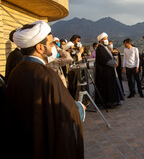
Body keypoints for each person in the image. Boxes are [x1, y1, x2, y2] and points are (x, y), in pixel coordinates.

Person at [4, 21, 84, 158]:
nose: (54, 46)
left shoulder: (16, 72)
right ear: (40, 47)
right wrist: (79, 107)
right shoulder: (46, 75)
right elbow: (65, 111)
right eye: (51, 43)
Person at [94, 32, 124, 108]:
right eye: (105, 39)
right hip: (104, 73)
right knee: (106, 88)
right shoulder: (100, 49)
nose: (106, 40)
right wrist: (114, 63)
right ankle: (108, 103)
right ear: (101, 40)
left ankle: (114, 101)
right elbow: (105, 60)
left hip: (109, 72)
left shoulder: (105, 48)